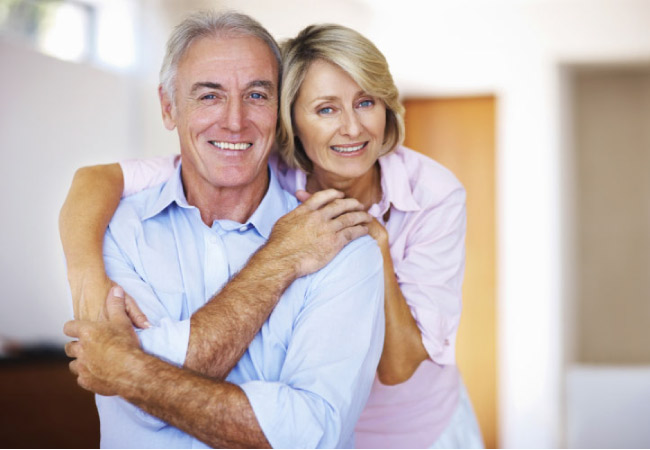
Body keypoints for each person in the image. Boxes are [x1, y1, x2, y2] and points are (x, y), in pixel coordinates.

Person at [61, 19, 484, 450]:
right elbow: (95, 179)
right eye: (325, 108)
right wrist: (85, 274)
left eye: (366, 102)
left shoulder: (428, 195)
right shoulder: (260, 163)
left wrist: (375, 244)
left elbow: (388, 375)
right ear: (291, 121)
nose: (353, 128)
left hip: (418, 424)